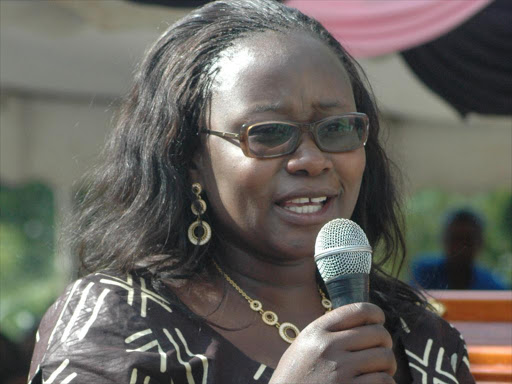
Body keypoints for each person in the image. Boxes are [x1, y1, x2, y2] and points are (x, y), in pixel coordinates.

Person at [28, 1, 475, 383]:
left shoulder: (415, 336)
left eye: (336, 128)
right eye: (268, 133)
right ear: (190, 160)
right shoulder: (114, 325)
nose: (312, 159)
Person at [411, 208, 507, 290]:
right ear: (443, 240)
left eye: (467, 240)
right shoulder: (425, 272)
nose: (460, 247)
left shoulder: (493, 287)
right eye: (455, 239)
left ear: (480, 243)